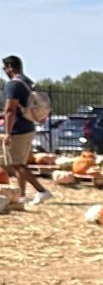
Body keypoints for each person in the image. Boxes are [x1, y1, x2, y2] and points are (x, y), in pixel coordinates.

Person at [2, 57, 52, 207]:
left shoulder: (13, 85)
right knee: (21, 163)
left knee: (16, 164)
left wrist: (7, 133)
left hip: (18, 129)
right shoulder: (28, 82)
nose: (4, 72)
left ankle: (42, 191)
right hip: (29, 126)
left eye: (4, 68)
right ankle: (23, 195)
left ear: (10, 67)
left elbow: (10, 110)